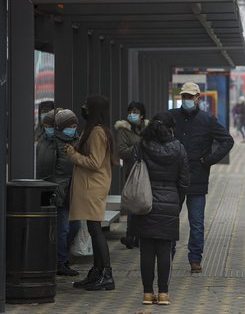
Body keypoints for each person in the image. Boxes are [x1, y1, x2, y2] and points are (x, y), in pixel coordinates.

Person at [170, 82, 234, 273]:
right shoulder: (172, 117)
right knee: (170, 220)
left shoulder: (207, 120)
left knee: (196, 223)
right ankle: (168, 256)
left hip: (197, 177)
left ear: (198, 98)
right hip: (174, 178)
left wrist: (209, 160)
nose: (187, 100)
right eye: (184, 97)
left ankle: (195, 259)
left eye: (191, 97)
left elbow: (227, 141)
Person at [132, 112, 189, 306]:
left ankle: (148, 293)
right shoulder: (179, 148)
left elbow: (133, 172)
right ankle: (163, 293)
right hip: (170, 201)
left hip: (145, 201)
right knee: (165, 250)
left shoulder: (142, 145)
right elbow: (184, 181)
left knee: (146, 250)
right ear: (171, 129)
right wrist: (177, 201)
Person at [65, 96, 118, 291]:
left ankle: (105, 273)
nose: (83, 109)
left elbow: (95, 162)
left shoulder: (96, 132)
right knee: (94, 229)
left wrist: (73, 155)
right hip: (93, 186)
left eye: (87, 106)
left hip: (92, 187)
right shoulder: (99, 130)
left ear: (94, 110)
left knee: (96, 230)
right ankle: (97, 272)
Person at [49, 109, 82, 276]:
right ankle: (60, 261)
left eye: (75, 124)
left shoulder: (78, 140)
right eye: (70, 125)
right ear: (62, 126)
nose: (73, 127)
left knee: (75, 226)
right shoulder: (54, 143)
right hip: (61, 190)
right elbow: (48, 168)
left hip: (74, 190)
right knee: (63, 227)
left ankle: (63, 258)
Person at [115, 101, 149, 249]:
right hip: (132, 171)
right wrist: (138, 147)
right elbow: (122, 151)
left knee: (144, 200)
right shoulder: (123, 130)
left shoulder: (148, 128)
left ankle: (141, 236)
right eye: (130, 112)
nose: (132, 115)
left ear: (142, 115)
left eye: (135, 112)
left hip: (147, 171)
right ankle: (131, 235)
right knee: (134, 202)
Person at [35, 109, 57, 180]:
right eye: (46, 127)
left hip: (55, 185)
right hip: (42, 183)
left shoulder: (61, 142)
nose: (48, 129)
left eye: (50, 126)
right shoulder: (42, 140)